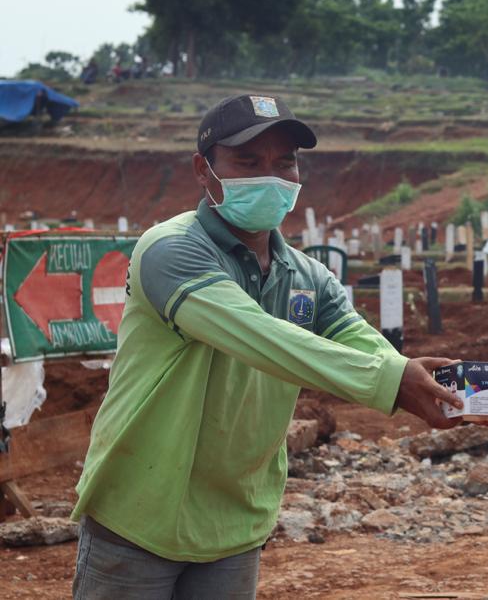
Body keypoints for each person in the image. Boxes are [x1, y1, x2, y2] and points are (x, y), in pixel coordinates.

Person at [70, 94, 463, 598]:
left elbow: (360, 340)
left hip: (236, 517)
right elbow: (256, 335)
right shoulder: (170, 249)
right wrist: (389, 381)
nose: (270, 176)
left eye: (285, 163)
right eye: (248, 162)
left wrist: (433, 382)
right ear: (203, 170)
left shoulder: (307, 276)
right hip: (140, 511)